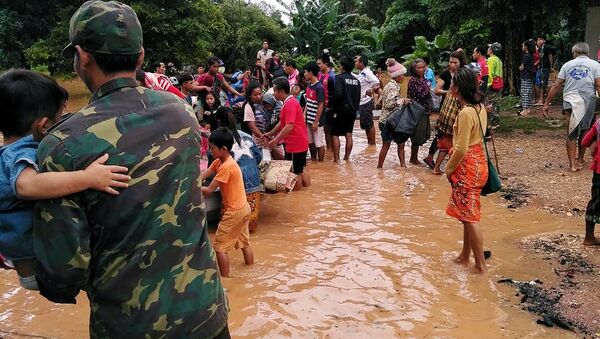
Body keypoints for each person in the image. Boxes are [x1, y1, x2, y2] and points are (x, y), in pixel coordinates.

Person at [35, 1, 229, 337]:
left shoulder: (62, 145)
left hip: (130, 326)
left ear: (82, 57)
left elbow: (64, 275)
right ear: (140, 57)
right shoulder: (180, 112)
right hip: (206, 314)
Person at [0, 69, 130, 290]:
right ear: (43, 126)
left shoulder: (5, 152)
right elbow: (26, 186)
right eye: (59, 119)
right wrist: (87, 178)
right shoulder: (22, 152)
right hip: (40, 266)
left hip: (21, 260)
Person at [445, 68, 489, 274]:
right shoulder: (480, 108)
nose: (450, 87)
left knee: (470, 217)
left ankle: (480, 266)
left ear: (457, 89)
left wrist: (448, 169)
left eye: (452, 84)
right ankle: (465, 256)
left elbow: (461, 148)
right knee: (467, 213)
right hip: (480, 163)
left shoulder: (464, 113)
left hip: (467, 167)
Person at [201, 127, 254, 277]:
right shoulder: (220, 161)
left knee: (219, 247)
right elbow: (206, 174)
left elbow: (209, 190)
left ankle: (226, 280)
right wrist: (196, 180)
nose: (210, 151)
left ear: (223, 149)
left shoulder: (226, 167)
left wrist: (191, 186)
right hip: (244, 207)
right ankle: (251, 269)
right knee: (244, 243)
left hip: (234, 211)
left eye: (212, 148)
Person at [544, 42, 600, 172]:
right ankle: (580, 158)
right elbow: (598, 85)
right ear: (587, 52)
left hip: (570, 100)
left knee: (571, 132)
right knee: (585, 130)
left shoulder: (567, 65)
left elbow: (556, 85)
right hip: (588, 100)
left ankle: (572, 165)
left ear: (574, 53)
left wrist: (547, 103)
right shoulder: (595, 65)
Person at [214, 108, 263, 232]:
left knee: (227, 229)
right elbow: (259, 157)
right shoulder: (246, 136)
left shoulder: (219, 141)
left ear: (219, 121)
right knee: (249, 227)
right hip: (254, 183)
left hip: (235, 187)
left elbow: (215, 164)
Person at [423, 51, 467, 174]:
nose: (452, 65)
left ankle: (436, 161)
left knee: (444, 138)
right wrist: (450, 92)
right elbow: (437, 90)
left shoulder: (462, 73)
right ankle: (441, 165)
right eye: (450, 62)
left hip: (451, 109)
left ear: (461, 63)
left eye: (455, 62)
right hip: (449, 109)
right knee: (446, 139)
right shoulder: (447, 75)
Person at [264, 77, 310, 190]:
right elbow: (282, 123)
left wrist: (275, 140)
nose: (273, 93)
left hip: (295, 143)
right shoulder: (290, 102)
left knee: (295, 172)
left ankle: (298, 199)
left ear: (281, 91)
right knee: (300, 168)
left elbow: (289, 126)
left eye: (274, 90)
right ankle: (307, 193)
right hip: (299, 141)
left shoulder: (289, 104)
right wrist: (270, 134)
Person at [377, 58, 410, 168]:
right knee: (387, 145)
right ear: (397, 76)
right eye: (402, 75)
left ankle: (402, 166)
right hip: (388, 121)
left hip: (389, 121)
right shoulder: (392, 87)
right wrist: (402, 100)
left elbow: (381, 101)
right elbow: (389, 104)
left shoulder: (392, 85)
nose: (404, 77)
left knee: (400, 143)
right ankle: (380, 167)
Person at [331, 56, 361, 163]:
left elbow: (338, 94)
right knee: (349, 134)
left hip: (340, 110)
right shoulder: (357, 81)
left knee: (334, 134)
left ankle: (336, 159)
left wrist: (332, 105)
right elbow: (358, 97)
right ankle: (347, 159)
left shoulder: (339, 78)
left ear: (342, 66)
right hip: (352, 111)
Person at [407, 58, 432, 165]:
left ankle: (414, 158)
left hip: (424, 110)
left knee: (421, 134)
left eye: (423, 67)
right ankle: (413, 159)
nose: (421, 69)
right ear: (414, 69)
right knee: (417, 135)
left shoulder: (423, 79)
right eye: (419, 67)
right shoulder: (413, 80)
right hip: (416, 111)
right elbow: (423, 94)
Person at [355, 53, 380, 146]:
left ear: (361, 63)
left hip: (366, 102)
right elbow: (358, 79)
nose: (355, 63)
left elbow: (376, 81)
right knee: (366, 124)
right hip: (362, 102)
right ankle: (370, 144)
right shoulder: (362, 73)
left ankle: (373, 144)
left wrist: (370, 89)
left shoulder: (367, 72)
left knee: (369, 124)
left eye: (356, 61)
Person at [303, 61, 326, 161]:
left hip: (317, 121)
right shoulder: (309, 86)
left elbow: (321, 105)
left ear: (311, 73)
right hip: (309, 119)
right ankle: (313, 161)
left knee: (318, 143)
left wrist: (316, 122)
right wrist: (304, 114)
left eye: (305, 72)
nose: (304, 74)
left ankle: (320, 163)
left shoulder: (319, 88)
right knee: (310, 142)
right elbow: (308, 101)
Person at [317, 53, 336, 150]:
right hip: (322, 106)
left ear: (326, 64)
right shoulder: (319, 74)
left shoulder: (332, 76)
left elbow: (335, 94)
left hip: (329, 107)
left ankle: (331, 149)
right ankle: (329, 149)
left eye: (319, 64)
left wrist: (331, 107)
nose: (318, 66)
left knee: (330, 129)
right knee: (325, 129)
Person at [534, 35, 556, 106]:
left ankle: (543, 100)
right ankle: (541, 99)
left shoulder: (546, 47)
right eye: (538, 40)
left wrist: (551, 67)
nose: (539, 41)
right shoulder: (539, 49)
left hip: (545, 68)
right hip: (539, 68)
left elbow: (550, 57)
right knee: (539, 83)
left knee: (544, 84)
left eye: (540, 39)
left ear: (544, 41)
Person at [486, 42, 503, 128]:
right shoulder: (499, 60)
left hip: (492, 84)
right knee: (496, 103)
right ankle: (496, 121)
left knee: (490, 103)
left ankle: (492, 122)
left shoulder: (491, 59)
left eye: (489, 48)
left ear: (491, 50)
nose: (488, 49)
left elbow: (490, 73)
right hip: (499, 83)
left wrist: (487, 84)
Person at [518, 39, 536, 116]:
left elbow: (522, 67)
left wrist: (520, 67)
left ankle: (525, 109)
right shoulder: (531, 56)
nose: (522, 47)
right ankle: (528, 108)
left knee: (524, 92)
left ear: (526, 47)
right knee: (528, 92)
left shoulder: (525, 56)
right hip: (530, 76)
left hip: (525, 76)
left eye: (522, 46)